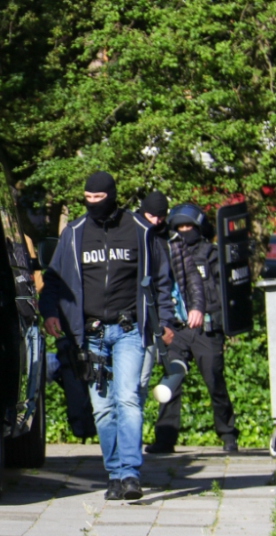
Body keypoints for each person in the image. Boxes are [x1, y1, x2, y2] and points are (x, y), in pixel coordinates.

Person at [39, 172, 173, 501]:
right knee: (102, 409)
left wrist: (166, 320)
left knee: (127, 397)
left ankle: (129, 473)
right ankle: (113, 473)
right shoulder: (73, 234)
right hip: (89, 335)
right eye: (88, 198)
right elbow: (53, 280)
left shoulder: (142, 232)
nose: (93, 204)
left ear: (112, 196)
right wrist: (51, 312)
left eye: (99, 198)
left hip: (129, 330)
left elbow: (162, 280)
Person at [152, 203, 239, 453]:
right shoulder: (167, 253)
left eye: (189, 226)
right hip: (177, 330)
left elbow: (223, 292)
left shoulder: (211, 253)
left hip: (206, 330)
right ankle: (165, 439)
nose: (184, 230)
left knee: (215, 381)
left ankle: (228, 435)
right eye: (179, 227)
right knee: (171, 381)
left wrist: (219, 325)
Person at [136, 192, 205, 428]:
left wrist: (196, 307)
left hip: (167, 316)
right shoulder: (130, 234)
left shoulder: (171, 239)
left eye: (161, 217)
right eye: (150, 216)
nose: (155, 221)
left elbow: (185, 279)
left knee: (148, 381)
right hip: (134, 318)